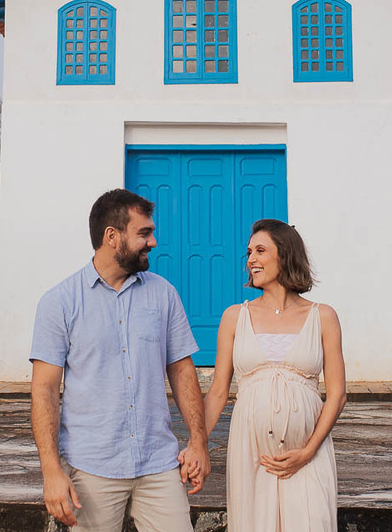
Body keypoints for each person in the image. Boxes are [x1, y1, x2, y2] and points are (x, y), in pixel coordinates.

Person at [30, 188, 211, 532]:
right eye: (144, 233)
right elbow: (44, 391)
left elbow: (183, 371)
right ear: (112, 237)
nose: (153, 242)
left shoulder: (164, 294)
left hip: (158, 464)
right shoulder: (59, 303)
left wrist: (198, 441)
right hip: (93, 466)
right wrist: (51, 470)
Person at [198, 219, 346, 531]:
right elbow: (218, 393)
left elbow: (337, 395)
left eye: (260, 250)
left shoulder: (323, 316)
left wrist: (307, 451)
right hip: (252, 455)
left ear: (286, 254)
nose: (251, 259)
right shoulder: (234, 317)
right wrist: (197, 442)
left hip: (309, 454)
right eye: (249, 252)